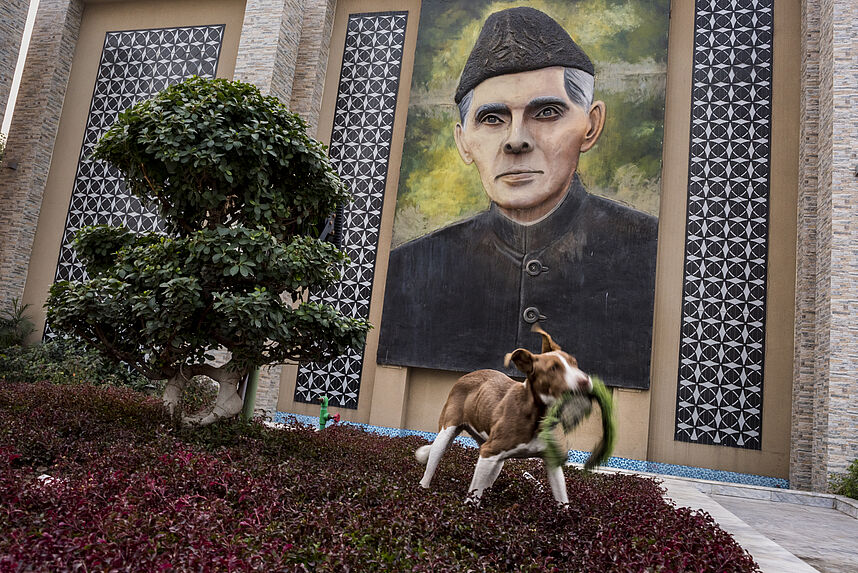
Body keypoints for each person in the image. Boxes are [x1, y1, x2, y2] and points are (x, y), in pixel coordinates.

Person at [377, 7, 658, 389]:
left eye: (546, 112)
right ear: (463, 141)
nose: (515, 140)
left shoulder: (655, 252)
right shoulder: (407, 270)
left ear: (591, 125)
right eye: (492, 119)